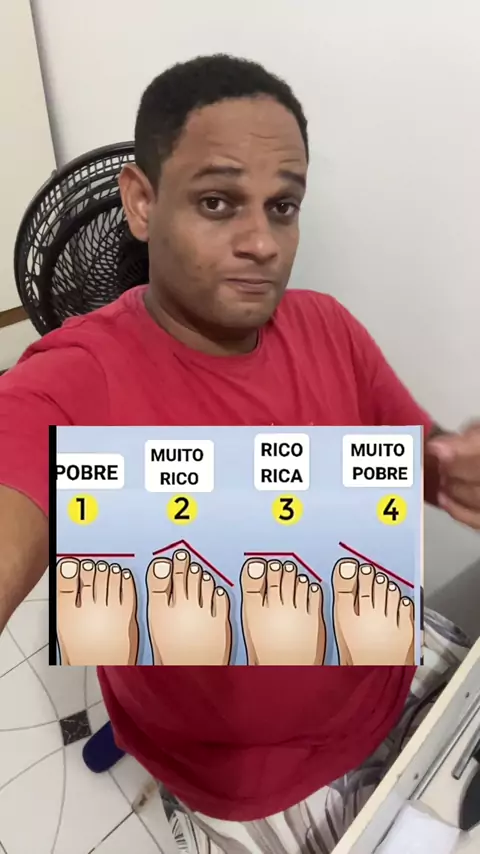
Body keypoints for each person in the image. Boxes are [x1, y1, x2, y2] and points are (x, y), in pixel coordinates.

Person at [0, 54, 478, 853]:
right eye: (217, 202)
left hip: (388, 677)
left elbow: (415, 454)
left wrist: (451, 468)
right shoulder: (76, 381)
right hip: (251, 779)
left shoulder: (327, 326)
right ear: (142, 202)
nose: (262, 242)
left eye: (283, 206)